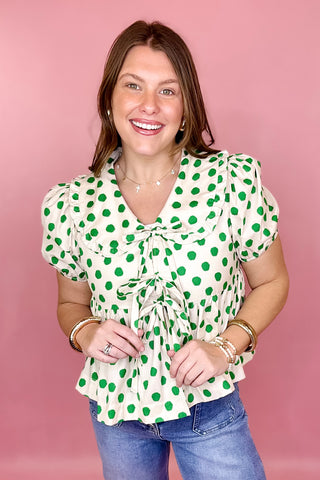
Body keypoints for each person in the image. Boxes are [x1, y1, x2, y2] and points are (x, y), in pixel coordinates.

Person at [41, 20, 289, 480]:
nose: (149, 106)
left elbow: (272, 280)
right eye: (133, 85)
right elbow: (70, 303)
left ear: (187, 105)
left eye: (168, 91)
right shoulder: (70, 204)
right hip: (116, 415)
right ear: (109, 99)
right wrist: (84, 332)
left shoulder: (231, 182)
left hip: (209, 409)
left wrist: (224, 347)